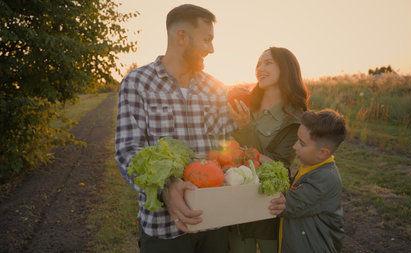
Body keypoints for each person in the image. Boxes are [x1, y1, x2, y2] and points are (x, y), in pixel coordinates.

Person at [115, 4, 286, 253]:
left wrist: (259, 178)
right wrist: (165, 188)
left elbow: (226, 148)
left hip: (214, 224)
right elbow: (128, 151)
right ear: (182, 37)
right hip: (164, 228)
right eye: (207, 40)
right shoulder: (138, 83)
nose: (211, 49)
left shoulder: (213, 86)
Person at [228, 47, 310, 253]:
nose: (260, 68)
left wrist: (245, 129)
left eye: (268, 63)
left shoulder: (294, 118)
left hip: (268, 202)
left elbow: (278, 164)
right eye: (258, 64)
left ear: (286, 69)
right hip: (235, 196)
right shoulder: (243, 103)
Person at [279, 109, 346, 253]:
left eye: (302, 144)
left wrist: (271, 166)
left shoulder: (325, 179)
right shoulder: (311, 167)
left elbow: (286, 205)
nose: (295, 146)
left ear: (322, 152)